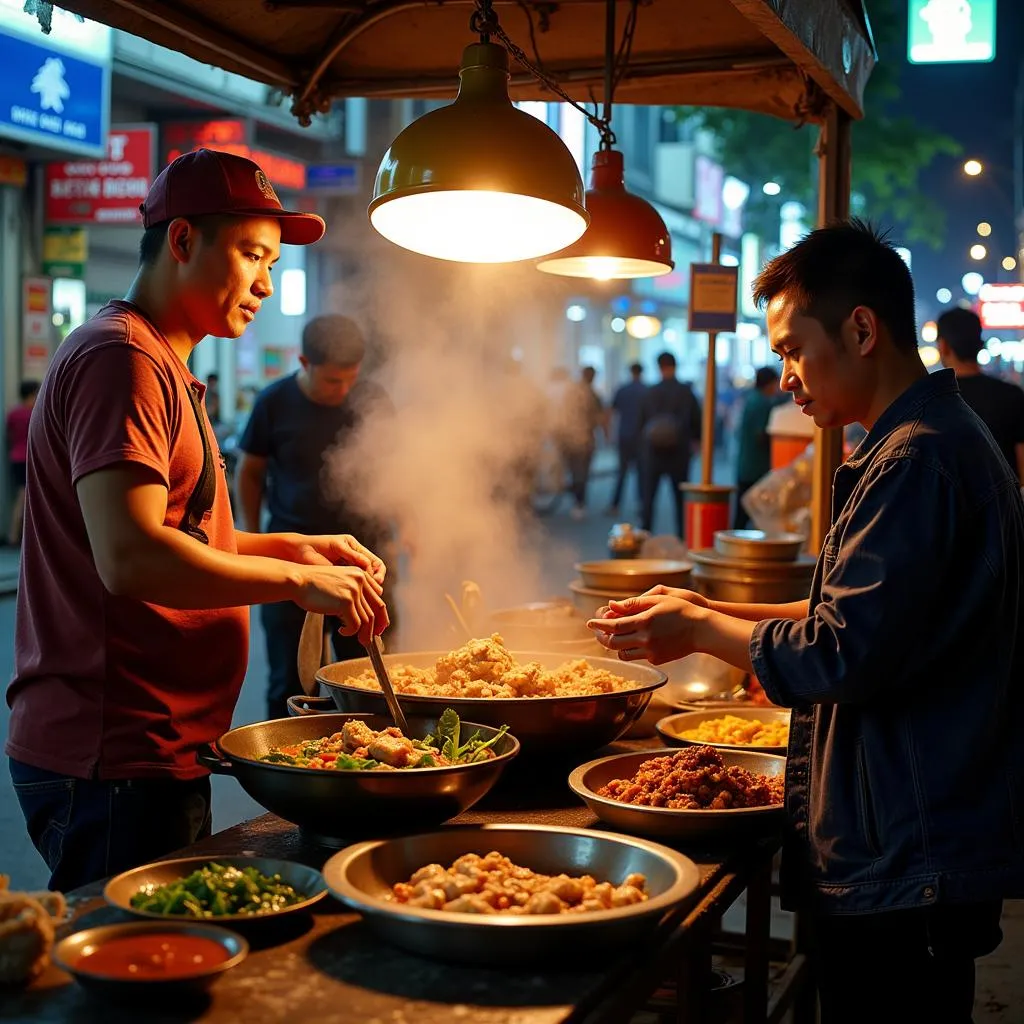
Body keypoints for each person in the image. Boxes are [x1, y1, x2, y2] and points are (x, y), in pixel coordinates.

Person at [588, 220, 1024, 1023]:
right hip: (906, 836)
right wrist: (704, 608)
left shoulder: (918, 457)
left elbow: (842, 650)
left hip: (908, 849)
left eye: (793, 348)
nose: (785, 375)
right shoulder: (920, 441)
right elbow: (847, 608)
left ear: (861, 328)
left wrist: (694, 634)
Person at [5, 148, 389, 892]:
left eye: (272, 262)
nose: (267, 285)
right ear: (182, 241)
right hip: (112, 756)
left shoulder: (164, 364)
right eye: (252, 254)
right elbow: (131, 556)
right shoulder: (123, 360)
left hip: (153, 750)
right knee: (133, 984)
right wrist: (292, 584)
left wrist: (297, 548)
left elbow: (183, 534)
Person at [235, 314, 399, 720]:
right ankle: (287, 768)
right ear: (304, 363)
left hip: (365, 559)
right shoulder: (273, 403)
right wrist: (252, 538)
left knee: (370, 676)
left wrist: (406, 527)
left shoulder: (373, 399)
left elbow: (397, 467)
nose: (343, 390)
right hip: (290, 559)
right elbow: (250, 472)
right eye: (332, 382)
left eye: (350, 379)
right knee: (289, 681)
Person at [937, 306, 1024, 483]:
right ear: (979, 343)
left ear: (943, 346)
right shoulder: (1012, 396)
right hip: (1005, 507)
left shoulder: (932, 401)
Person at [638, 352, 701, 538]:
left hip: (653, 453)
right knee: (680, 498)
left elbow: (641, 422)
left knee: (649, 498)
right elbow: (697, 420)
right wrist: (696, 442)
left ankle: (646, 534)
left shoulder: (650, 391)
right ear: (675, 366)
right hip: (679, 453)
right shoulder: (686, 391)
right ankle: (682, 536)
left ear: (659, 367)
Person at [732, 366, 784, 529]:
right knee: (748, 513)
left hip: (746, 466)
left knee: (742, 514)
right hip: (755, 468)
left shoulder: (753, 399)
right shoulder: (761, 404)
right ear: (769, 384)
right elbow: (761, 435)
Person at [556, 365, 608, 520]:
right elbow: (600, 418)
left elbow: (561, 415)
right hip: (584, 441)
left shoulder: (571, 393)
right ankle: (580, 502)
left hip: (571, 440)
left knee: (575, 472)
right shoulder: (592, 395)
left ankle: (578, 501)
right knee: (582, 474)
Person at [605, 362, 647, 518]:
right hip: (641, 437)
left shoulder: (622, 390)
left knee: (622, 472)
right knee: (642, 473)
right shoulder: (646, 391)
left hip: (624, 435)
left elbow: (610, 412)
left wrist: (608, 434)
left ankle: (615, 505)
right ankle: (642, 505)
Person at [6, 381, 39, 547]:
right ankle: (14, 536)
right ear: (32, 394)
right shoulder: (33, 413)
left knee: (21, 496)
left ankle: (14, 535)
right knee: (24, 498)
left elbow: (10, 435)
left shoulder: (13, 414)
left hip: (15, 458)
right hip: (29, 458)